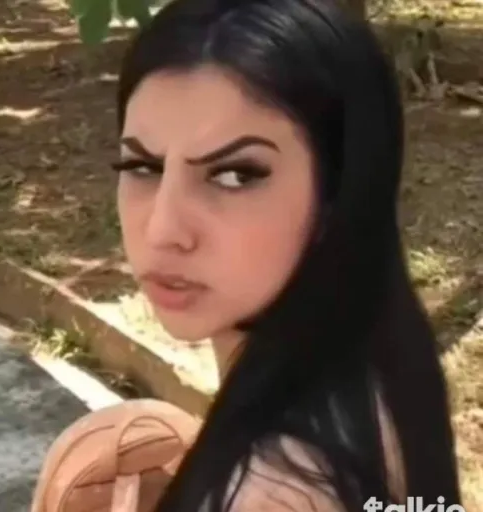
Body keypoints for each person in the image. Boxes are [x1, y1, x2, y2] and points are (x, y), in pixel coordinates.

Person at [31, 0, 462, 510]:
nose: (164, 230)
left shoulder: (273, 490)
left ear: (340, 191)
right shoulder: (375, 372)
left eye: (235, 175)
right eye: (143, 166)